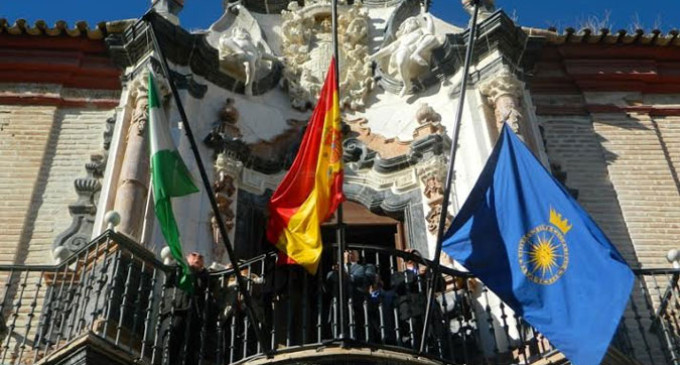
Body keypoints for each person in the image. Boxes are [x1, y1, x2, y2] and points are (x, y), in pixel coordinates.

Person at [164, 251, 212, 365]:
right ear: (187, 258)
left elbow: (205, 286)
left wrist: (202, 271)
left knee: (190, 351)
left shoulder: (202, 276)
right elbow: (169, 273)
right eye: (194, 255)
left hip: (194, 317)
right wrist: (181, 262)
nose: (198, 258)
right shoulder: (179, 268)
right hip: (177, 311)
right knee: (171, 343)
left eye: (201, 257)